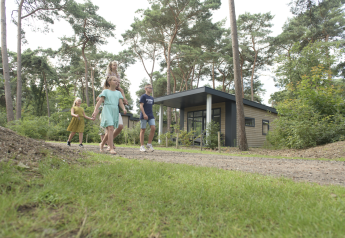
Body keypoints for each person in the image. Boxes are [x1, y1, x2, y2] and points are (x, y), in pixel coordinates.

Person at [92, 76, 127, 155]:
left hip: (115, 110)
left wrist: (124, 109)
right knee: (110, 128)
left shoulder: (118, 93)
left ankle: (102, 144)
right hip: (107, 109)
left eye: (117, 81)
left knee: (110, 130)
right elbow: (99, 101)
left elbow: (120, 102)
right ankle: (111, 148)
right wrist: (95, 111)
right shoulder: (105, 91)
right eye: (114, 80)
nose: (116, 82)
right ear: (109, 82)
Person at [104, 61, 127, 146]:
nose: (115, 66)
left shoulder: (117, 74)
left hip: (116, 88)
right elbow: (107, 82)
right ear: (110, 66)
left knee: (121, 90)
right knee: (109, 127)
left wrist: (117, 85)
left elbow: (119, 82)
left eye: (116, 65)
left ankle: (109, 141)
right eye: (114, 65)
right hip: (109, 86)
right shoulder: (109, 73)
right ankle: (109, 143)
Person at [139, 84, 155, 152]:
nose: (151, 89)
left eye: (152, 88)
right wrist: (144, 114)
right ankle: (142, 146)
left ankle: (149, 144)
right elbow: (141, 106)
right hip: (144, 115)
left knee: (153, 128)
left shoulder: (152, 98)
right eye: (150, 88)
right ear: (146, 88)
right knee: (143, 130)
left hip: (151, 115)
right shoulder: (143, 96)